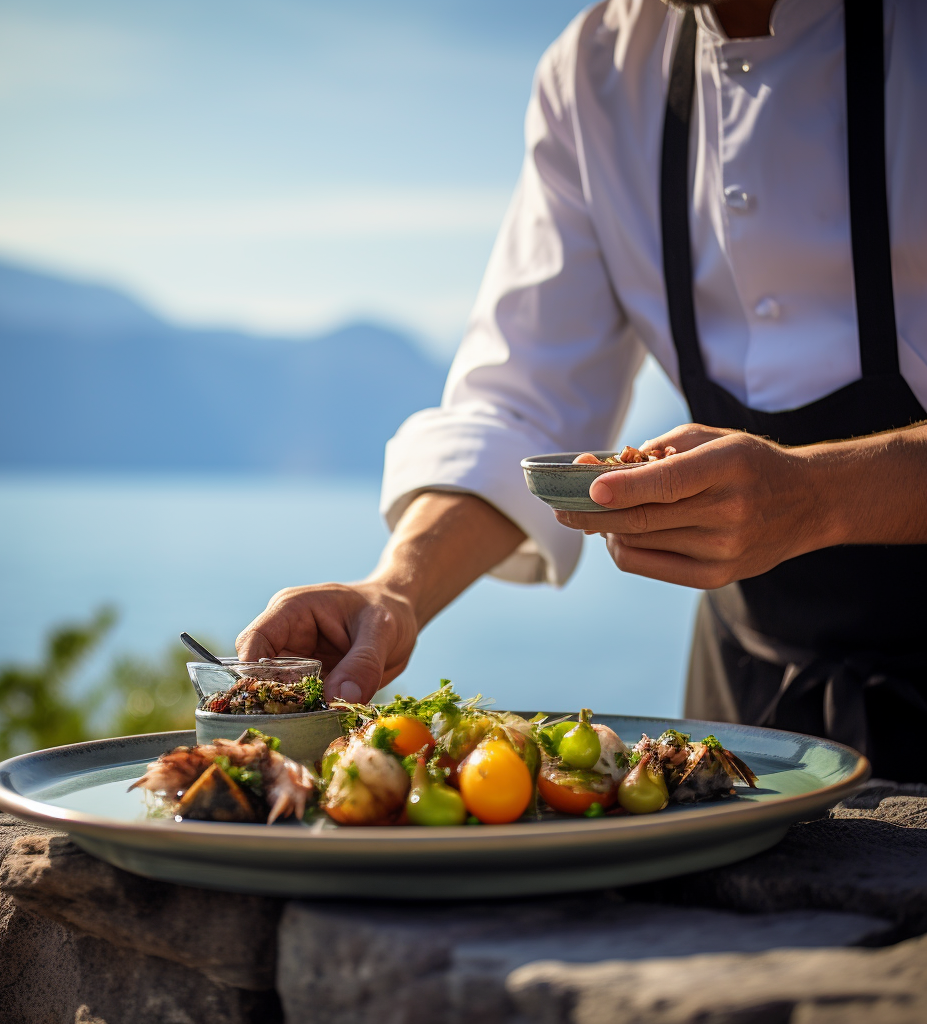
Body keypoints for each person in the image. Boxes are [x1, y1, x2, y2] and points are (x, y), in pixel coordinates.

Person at [236, 0, 927, 782]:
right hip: (751, 695)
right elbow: (523, 405)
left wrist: (822, 495)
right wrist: (394, 591)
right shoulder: (594, 70)